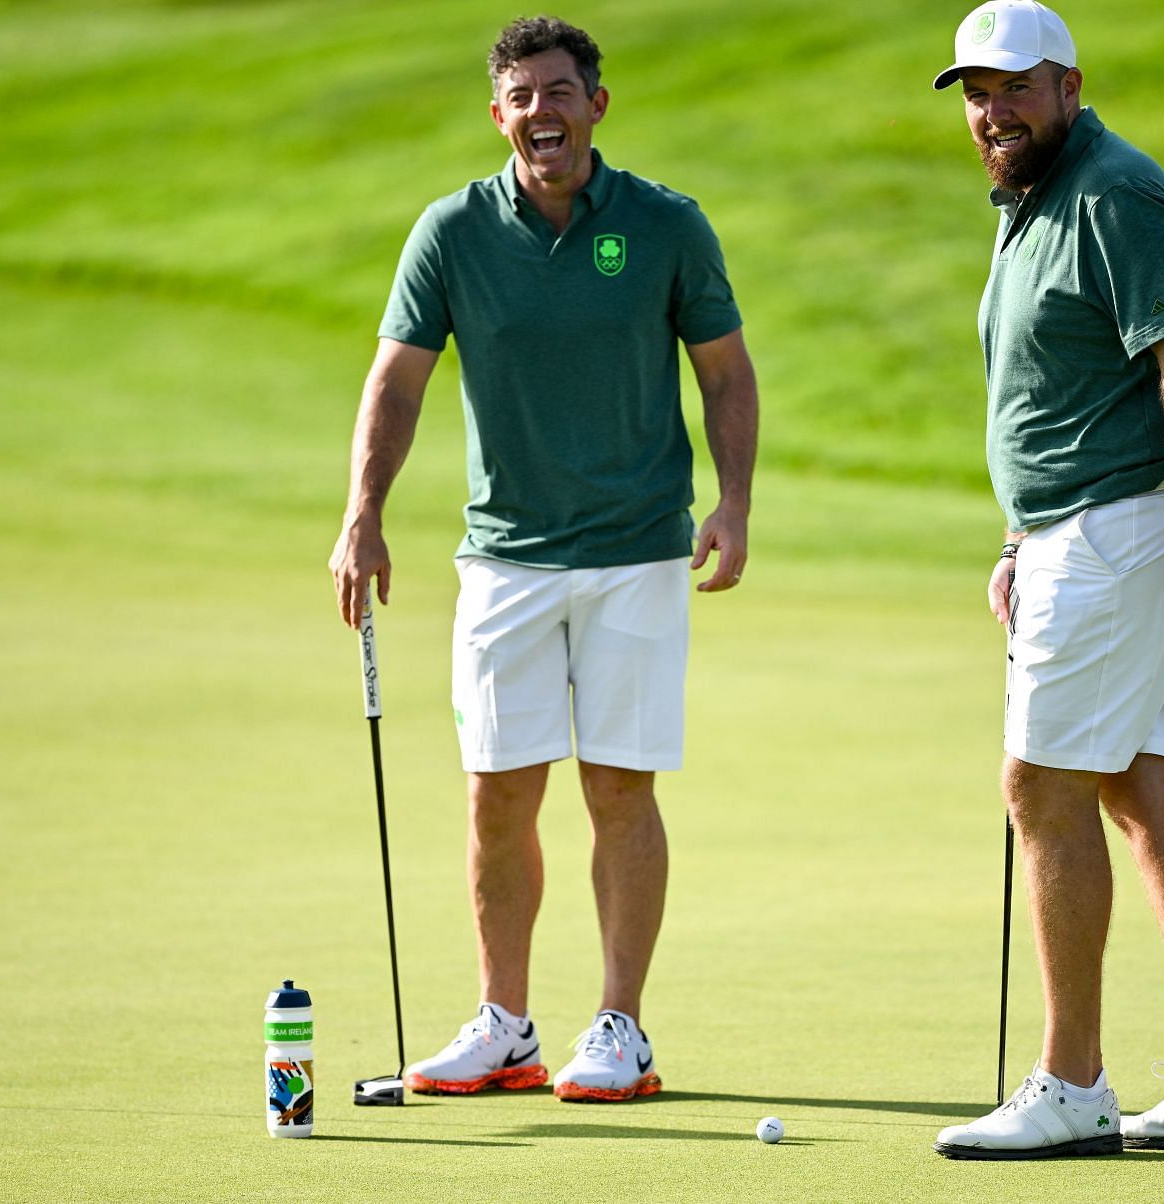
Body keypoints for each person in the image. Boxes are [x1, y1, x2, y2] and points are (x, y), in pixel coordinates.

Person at [328, 15, 757, 1104]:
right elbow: (398, 382)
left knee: (619, 787)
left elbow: (725, 374)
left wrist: (735, 501)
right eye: (521, 97)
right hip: (507, 560)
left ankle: (621, 1026)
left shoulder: (666, 225)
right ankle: (505, 1024)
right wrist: (361, 513)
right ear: (498, 114)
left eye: (560, 92)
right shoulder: (451, 232)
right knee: (496, 794)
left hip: (636, 554)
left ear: (597, 106)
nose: (542, 113)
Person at [926, 0, 1164, 1160]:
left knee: (1041, 787)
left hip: (1125, 525)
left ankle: (1072, 1083)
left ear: (1071, 86)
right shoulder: (1031, 198)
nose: (994, 111)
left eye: (1016, 88)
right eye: (977, 92)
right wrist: (1014, 542)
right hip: (1081, 527)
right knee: (1140, 782)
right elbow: (1049, 391)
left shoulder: (1113, 192)